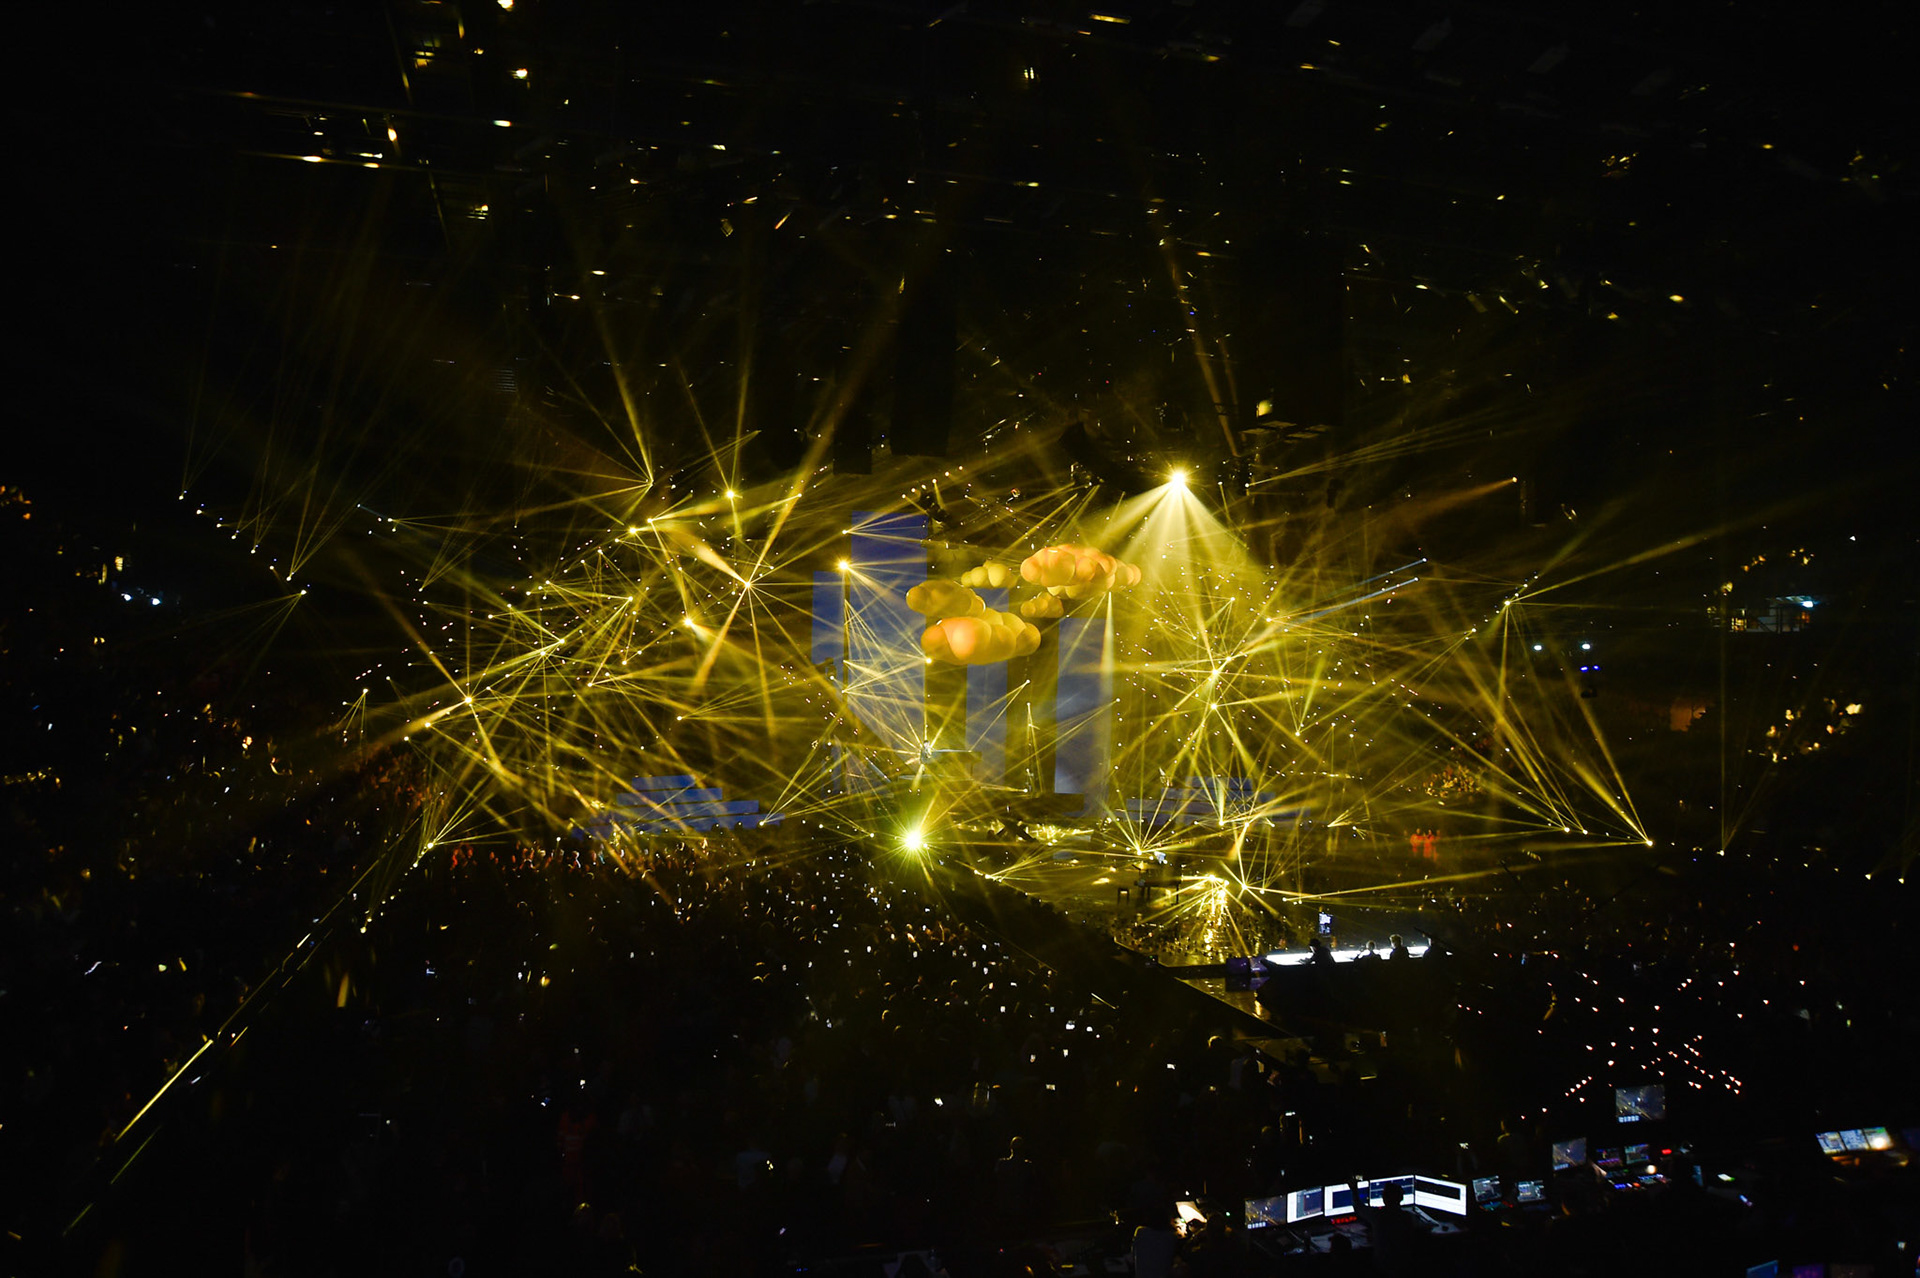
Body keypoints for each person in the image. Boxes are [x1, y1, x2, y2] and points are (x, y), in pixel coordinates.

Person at [1346, 1177, 1429, 1275]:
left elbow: (1358, 1207)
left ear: (1384, 1198)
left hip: (1382, 1267)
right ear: (1401, 1198)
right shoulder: (1408, 1217)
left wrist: (1354, 1189)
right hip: (1404, 1267)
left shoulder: (1377, 1215)